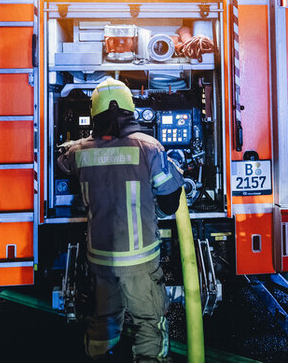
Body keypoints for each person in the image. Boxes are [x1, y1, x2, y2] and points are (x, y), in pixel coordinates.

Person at [56, 78, 182, 363]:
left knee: (103, 320)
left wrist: (80, 140)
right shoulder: (150, 147)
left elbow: (61, 160)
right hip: (140, 260)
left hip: (100, 259)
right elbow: (170, 200)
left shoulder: (80, 152)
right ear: (131, 108)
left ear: (95, 112)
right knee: (149, 322)